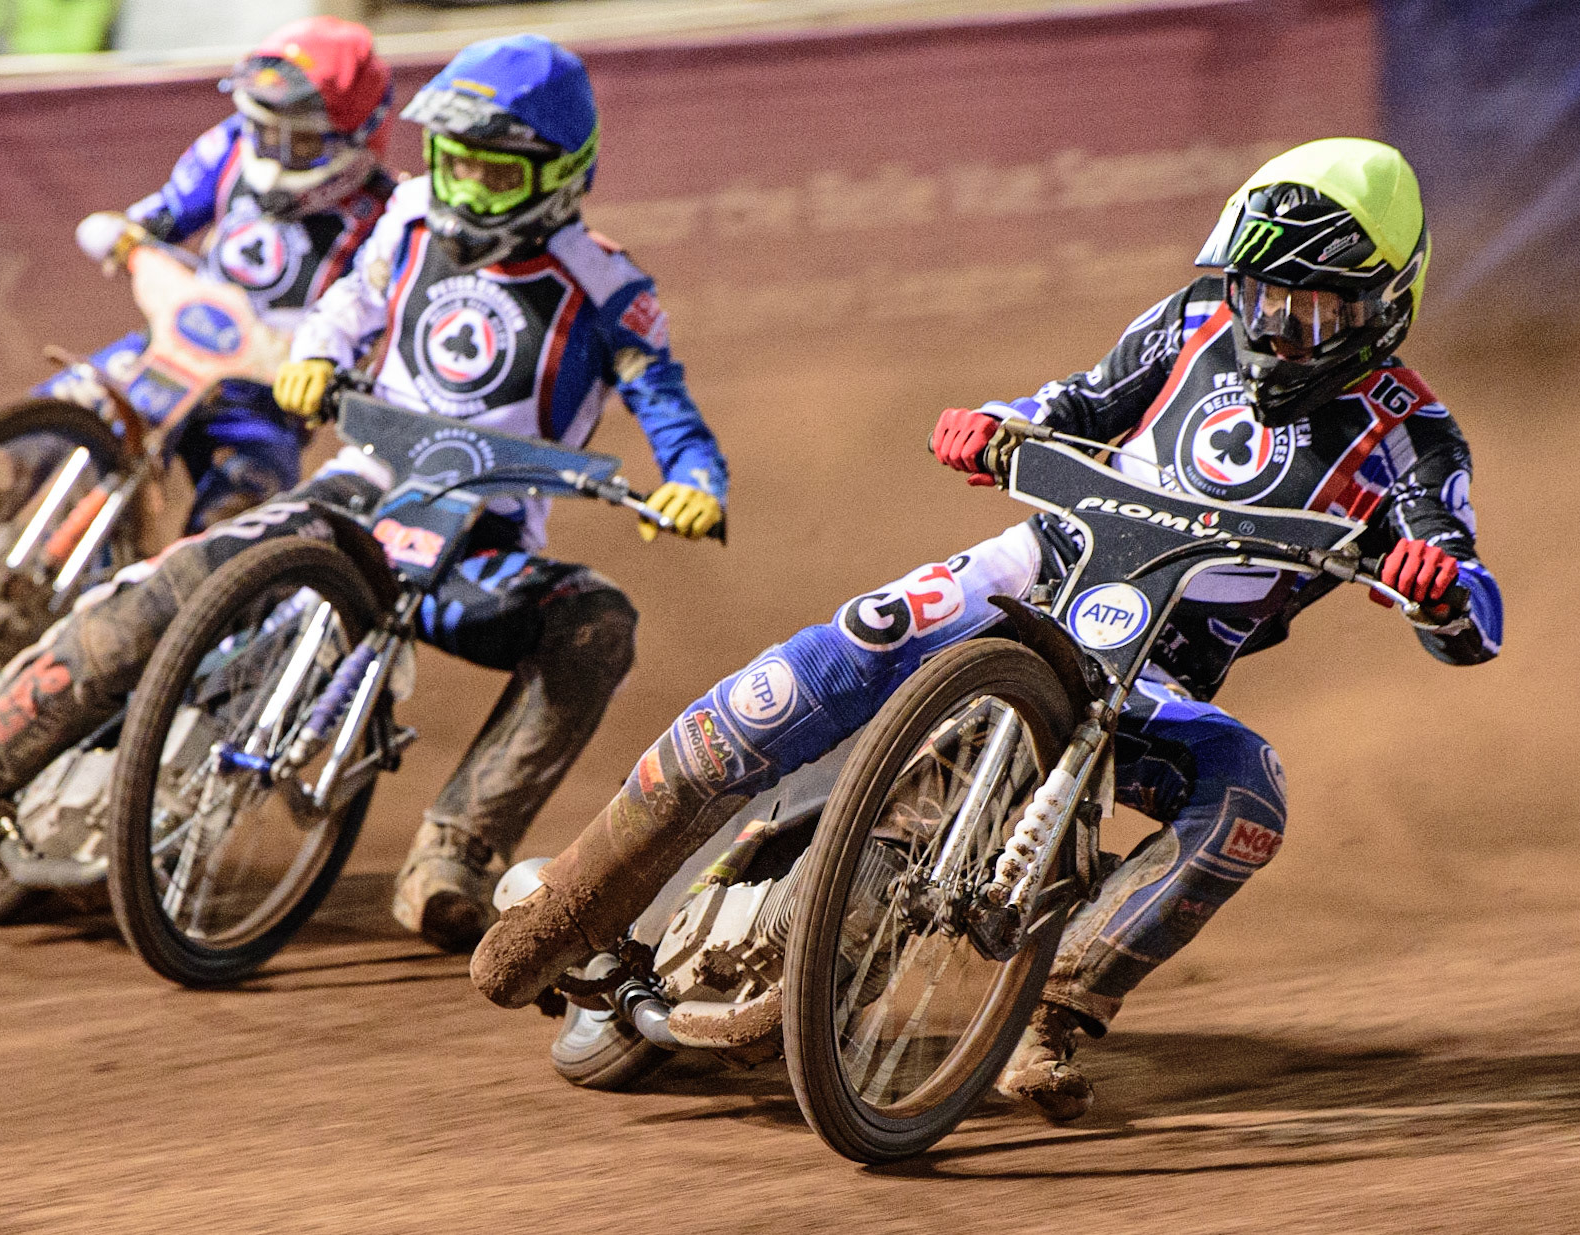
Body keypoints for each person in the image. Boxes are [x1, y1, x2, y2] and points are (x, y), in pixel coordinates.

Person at [469, 137, 1504, 1120]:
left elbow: (1471, 611)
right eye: (1258, 296)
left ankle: (1054, 1008)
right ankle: (577, 895)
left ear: (1384, 304)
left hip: (1155, 674)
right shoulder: (1193, 319)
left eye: (1309, 309)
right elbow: (1077, 403)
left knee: (1249, 795)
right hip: (1036, 563)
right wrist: (997, 421)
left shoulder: (1414, 438)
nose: (1274, 329)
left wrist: (1440, 586)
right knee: (843, 647)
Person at [0, 34, 731, 954]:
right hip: (356, 494)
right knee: (172, 584)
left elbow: (664, 402)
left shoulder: (609, 289)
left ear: (560, 175)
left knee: (595, 623)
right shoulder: (409, 215)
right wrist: (317, 354)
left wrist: (695, 481)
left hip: (480, 551)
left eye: (494, 174)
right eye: (453, 162)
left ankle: (457, 853)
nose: (465, 189)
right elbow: (350, 302)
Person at [0, 16, 398, 656]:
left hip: (264, 405)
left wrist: (337, 374)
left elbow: (379, 328)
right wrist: (127, 235)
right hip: (166, 355)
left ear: (356, 138)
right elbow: (160, 217)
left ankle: (173, 685)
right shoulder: (229, 147)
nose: (270, 148)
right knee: (2, 458)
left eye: (296, 139)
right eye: (262, 126)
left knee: (232, 549)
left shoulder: (387, 219)